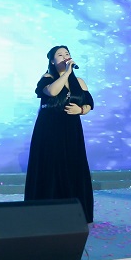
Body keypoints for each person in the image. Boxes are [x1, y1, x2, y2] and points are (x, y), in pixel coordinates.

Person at [24, 45, 95, 223]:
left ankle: (75, 212)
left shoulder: (79, 82)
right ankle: (46, 213)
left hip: (71, 129)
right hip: (49, 129)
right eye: (60, 55)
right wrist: (66, 73)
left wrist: (81, 110)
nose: (64, 57)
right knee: (50, 166)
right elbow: (52, 91)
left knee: (73, 166)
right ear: (52, 61)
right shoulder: (47, 78)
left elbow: (89, 103)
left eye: (67, 54)